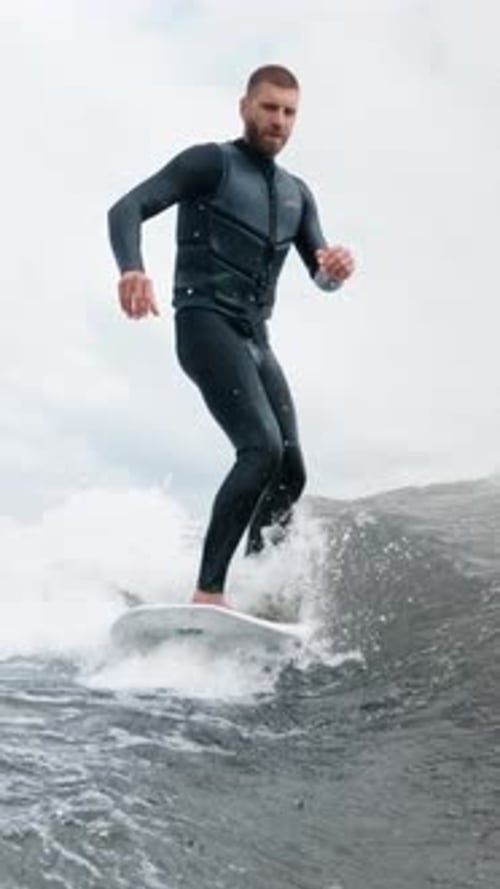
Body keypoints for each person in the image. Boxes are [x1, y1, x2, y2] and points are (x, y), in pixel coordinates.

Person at [108, 64, 355, 609]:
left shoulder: (297, 195)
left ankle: (257, 588)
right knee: (260, 448)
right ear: (244, 105)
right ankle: (209, 593)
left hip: (254, 337)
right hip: (203, 322)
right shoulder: (209, 164)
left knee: (290, 470)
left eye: (289, 112)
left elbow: (320, 275)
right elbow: (127, 207)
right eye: (269, 108)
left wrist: (332, 272)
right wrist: (131, 268)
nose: (279, 121)